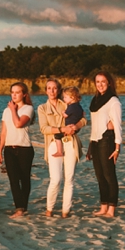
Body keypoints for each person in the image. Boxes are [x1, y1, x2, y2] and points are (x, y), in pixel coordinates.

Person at [38, 80, 86, 218]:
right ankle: (49, 209)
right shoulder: (42, 108)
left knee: (69, 178)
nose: (52, 91)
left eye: (54, 88)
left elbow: (83, 119)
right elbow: (43, 128)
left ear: (58, 90)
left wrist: (76, 127)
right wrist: (62, 129)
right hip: (54, 142)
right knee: (56, 179)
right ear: (46, 90)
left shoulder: (67, 102)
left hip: (70, 142)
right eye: (49, 88)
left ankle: (66, 211)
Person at [0, 81, 34, 218]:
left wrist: (13, 109)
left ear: (24, 94)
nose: (14, 95)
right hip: (9, 149)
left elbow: (18, 124)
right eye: (12, 92)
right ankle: (19, 207)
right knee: (13, 179)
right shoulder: (6, 111)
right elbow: (3, 132)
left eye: (17, 92)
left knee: (24, 179)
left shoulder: (28, 109)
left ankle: (23, 207)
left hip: (24, 148)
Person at [88, 70, 122, 217]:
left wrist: (117, 147)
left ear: (109, 83)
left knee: (109, 176)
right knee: (100, 176)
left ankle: (111, 209)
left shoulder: (113, 101)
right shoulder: (95, 101)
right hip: (95, 141)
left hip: (107, 140)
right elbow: (94, 125)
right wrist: (90, 145)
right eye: (97, 82)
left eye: (103, 81)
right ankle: (103, 207)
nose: (100, 85)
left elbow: (118, 125)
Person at [52, 86, 84, 157]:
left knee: (57, 135)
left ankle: (59, 151)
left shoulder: (71, 106)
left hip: (69, 127)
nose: (63, 99)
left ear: (72, 97)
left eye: (65, 97)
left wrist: (63, 112)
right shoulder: (79, 106)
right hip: (76, 128)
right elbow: (82, 115)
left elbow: (65, 115)